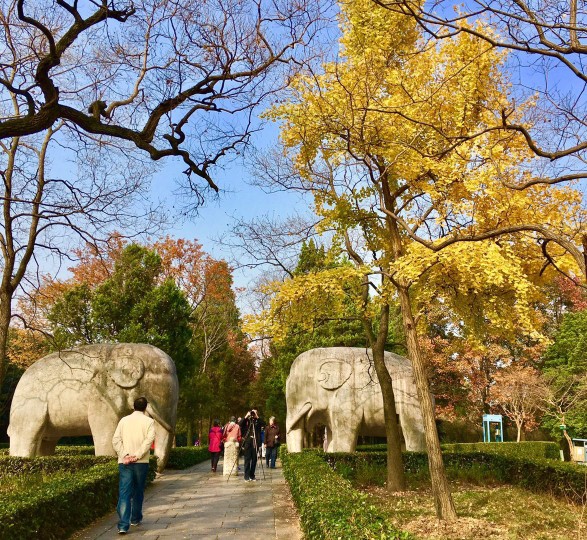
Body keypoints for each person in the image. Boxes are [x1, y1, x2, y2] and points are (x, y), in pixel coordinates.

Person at [112, 397, 155, 535]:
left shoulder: (123, 420)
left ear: (133, 406)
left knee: (124, 492)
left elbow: (116, 439)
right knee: (138, 491)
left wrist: (125, 455)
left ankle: (123, 525)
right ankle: (135, 518)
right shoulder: (149, 422)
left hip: (124, 462)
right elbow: (149, 441)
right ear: (146, 407)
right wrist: (137, 455)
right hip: (141, 462)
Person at [239, 409, 264, 481]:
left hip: (255, 442)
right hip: (247, 442)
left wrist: (257, 416)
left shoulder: (257, 421)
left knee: (254, 460)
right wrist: (246, 416)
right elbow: (239, 424)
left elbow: (263, 424)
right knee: (247, 460)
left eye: (255, 412)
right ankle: (246, 476)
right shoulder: (247, 420)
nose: (253, 414)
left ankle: (252, 475)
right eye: (252, 412)